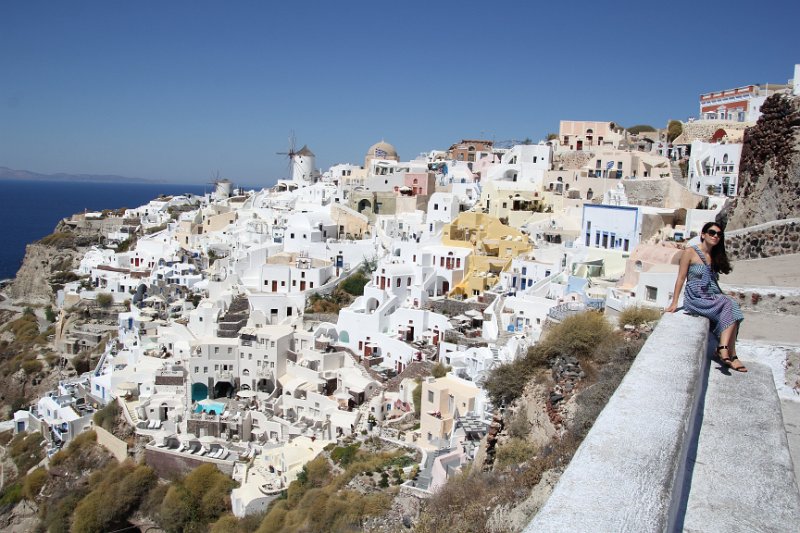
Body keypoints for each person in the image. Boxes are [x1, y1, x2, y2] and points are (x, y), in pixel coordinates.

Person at [666, 222, 746, 372]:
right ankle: (727, 351)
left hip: (710, 296)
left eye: (718, 234)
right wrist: (674, 302)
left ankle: (727, 351)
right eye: (712, 232)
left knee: (732, 307)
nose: (715, 236)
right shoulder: (690, 252)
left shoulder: (714, 256)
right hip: (695, 297)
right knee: (728, 304)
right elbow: (681, 278)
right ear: (703, 234)